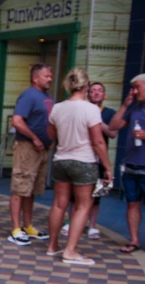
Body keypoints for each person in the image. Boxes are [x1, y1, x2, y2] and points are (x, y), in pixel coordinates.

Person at [45, 68, 111, 266]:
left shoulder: (57, 108)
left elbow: (50, 135)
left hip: (61, 160)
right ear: (87, 86)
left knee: (59, 203)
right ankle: (70, 251)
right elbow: (99, 142)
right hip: (84, 161)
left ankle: (52, 245)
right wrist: (107, 167)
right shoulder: (91, 109)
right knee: (84, 206)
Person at [60, 81, 118, 239]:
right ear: (88, 94)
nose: (96, 93)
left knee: (97, 195)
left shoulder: (109, 113)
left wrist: (97, 121)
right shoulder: (81, 109)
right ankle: (70, 222)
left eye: (100, 91)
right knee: (74, 195)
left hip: (99, 159)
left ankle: (92, 226)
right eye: (93, 91)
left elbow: (112, 133)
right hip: (81, 158)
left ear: (104, 95)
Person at [8, 63, 54, 246]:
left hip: (42, 150)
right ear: (36, 78)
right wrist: (34, 138)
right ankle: (15, 229)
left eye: (51, 76)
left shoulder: (47, 97)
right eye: (46, 76)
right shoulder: (29, 96)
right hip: (27, 148)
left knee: (31, 189)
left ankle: (28, 226)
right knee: (20, 187)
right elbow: (17, 121)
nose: (50, 79)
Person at [110, 74, 145, 253]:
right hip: (131, 164)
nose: (135, 91)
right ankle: (134, 240)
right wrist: (125, 105)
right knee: (132, 203)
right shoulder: (134, 109)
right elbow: (114, 126)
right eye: (133, 88)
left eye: (138, 87)